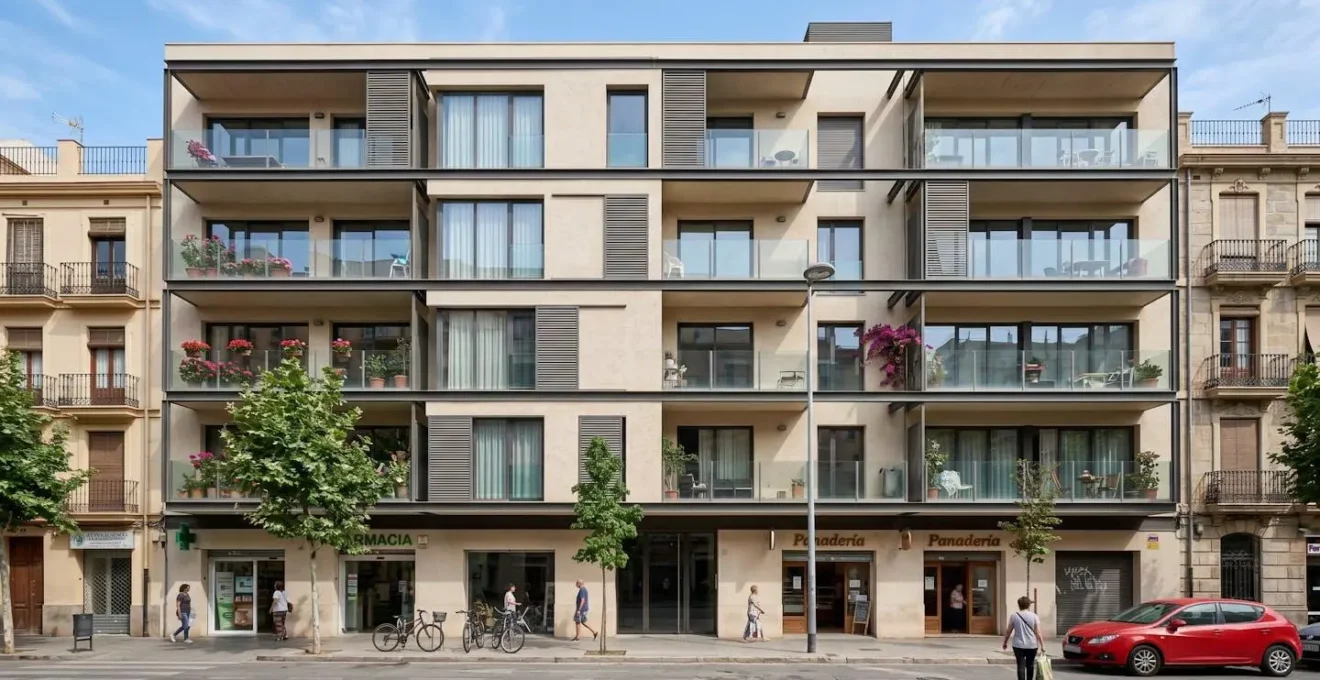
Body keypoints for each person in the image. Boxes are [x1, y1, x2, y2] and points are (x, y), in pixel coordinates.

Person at [1002, 596, 1045, 680]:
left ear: (1019, 605)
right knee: (1030, 664)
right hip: (1032, 645)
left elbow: (1008, 631)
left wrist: (1005, 642)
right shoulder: (1034, 616)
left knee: (1020, 665)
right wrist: (1043, 645)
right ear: (1028, 605)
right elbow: (1038, 632)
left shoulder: (1014, 616)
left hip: (1018, 645)